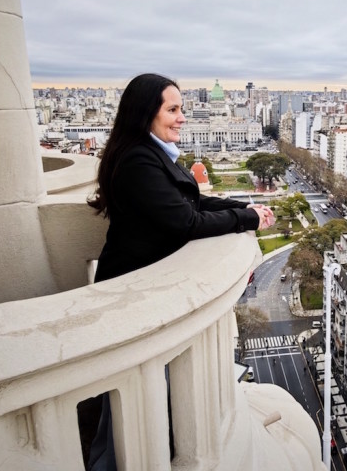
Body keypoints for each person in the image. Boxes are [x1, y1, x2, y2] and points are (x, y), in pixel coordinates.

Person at [81, 73, 275, 471]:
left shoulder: (150, 155)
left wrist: (244, 208)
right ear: (145, 114)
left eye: (183, 108)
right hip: (136, 295)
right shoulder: (139, 161)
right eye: (172, 109)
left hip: (147, 289)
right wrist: (246, 221)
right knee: (136, 405)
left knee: (148, 396)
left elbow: (194, 200)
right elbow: (186, 222)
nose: (182, 117)